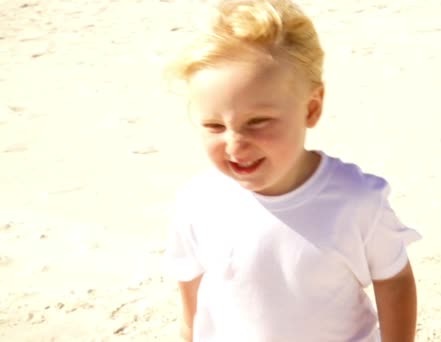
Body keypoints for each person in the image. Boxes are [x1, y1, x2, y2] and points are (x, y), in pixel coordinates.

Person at [164, 0, 421, 341]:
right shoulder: (197, 203)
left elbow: (394, 279)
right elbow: (191, 304)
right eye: (214, 125)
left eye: (257, 122)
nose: (235, 144)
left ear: (311, 109)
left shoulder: (355, 200)